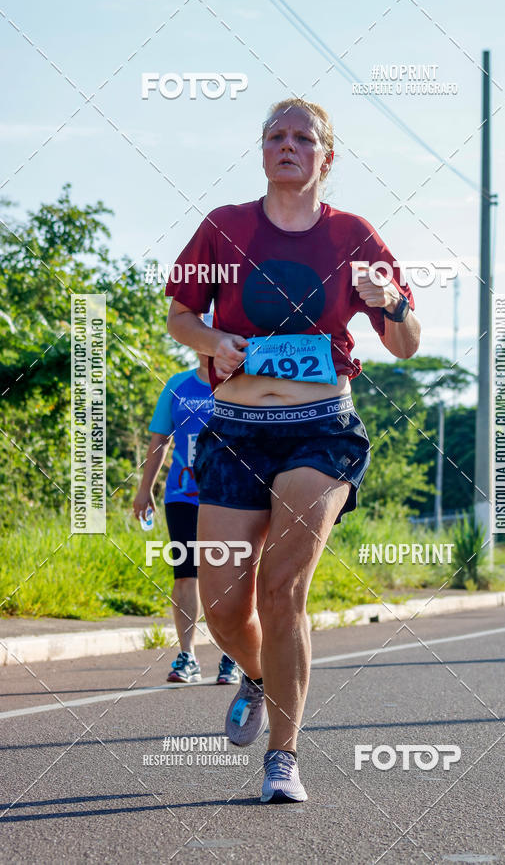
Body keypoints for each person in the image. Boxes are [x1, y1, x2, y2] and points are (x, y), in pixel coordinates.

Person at [165, 98, 420, 803]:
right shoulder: (224, 228)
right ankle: (254, 673)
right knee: (222, 606)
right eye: (275, 136)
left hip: (319, 428)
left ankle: (284, 756)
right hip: (234, 429)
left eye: (302, 138)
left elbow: (405, 343)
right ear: (263, 151)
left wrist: (389, 302)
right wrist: (213, 341)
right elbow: (180, 315)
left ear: (326, 157)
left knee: (283, 590)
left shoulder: (353, 235)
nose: (287, 146)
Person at [133, 349, 240, 685]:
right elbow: (159, 440)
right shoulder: (178, 385)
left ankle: (233, 656)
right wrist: (144, 488)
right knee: (185, 574)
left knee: (230, 574)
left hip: (229, 496)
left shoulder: (242, 383)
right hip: (182, 494)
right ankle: (188, 656)